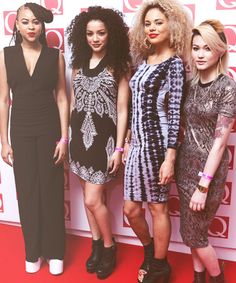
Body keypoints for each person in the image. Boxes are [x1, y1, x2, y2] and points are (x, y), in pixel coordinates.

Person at [123, 0, 192, 282]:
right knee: (131, 209)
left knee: (157, 207)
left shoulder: (174, 64)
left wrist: (170, 156)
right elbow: (135, 104)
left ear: (171, 26)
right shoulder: (143, 60)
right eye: (147, 23)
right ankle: (150, 252)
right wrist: (127, 137)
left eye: (158, 23)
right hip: (136, 145)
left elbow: (175, 113)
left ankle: (160, 267)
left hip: (157, 146)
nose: (151, 28)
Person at [0, 3, 69, 275]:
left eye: (36, 22)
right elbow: (4, 100)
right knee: (27, 191)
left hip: (50, 127)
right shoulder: (6, 56)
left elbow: (63, 98)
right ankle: (33, 251)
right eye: (25, 22)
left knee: (51, 190)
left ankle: (55, 252)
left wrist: (64, 139)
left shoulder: (55, 56)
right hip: (20, 129)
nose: (31, 27)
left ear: (43, 26)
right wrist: (4, 141)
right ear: (16, 25)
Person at [67, 6, 130, 279]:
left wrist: (119, 148)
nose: (95, 38)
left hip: (104, 142)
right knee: (88, 197)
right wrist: (67, 137)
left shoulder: (119, 65)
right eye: (90, 33)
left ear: (111, 34)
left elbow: (122, 110)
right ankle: (95, 243)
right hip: (79, 140)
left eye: (101, 33)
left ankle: (109, 246)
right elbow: (73, 102)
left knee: (94, 199)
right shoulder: (79, 63)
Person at [175, 19, 236, 283]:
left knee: (196, 235)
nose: (199, 54)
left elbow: (220, 142)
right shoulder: (190, 85)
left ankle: (217, 277)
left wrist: (203, 184)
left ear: (220, 50)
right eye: (196, 48)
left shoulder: (228, 87)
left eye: (207, 48)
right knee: (190, 231)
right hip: (184, 165)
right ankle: (199, 277)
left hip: (207, 173)